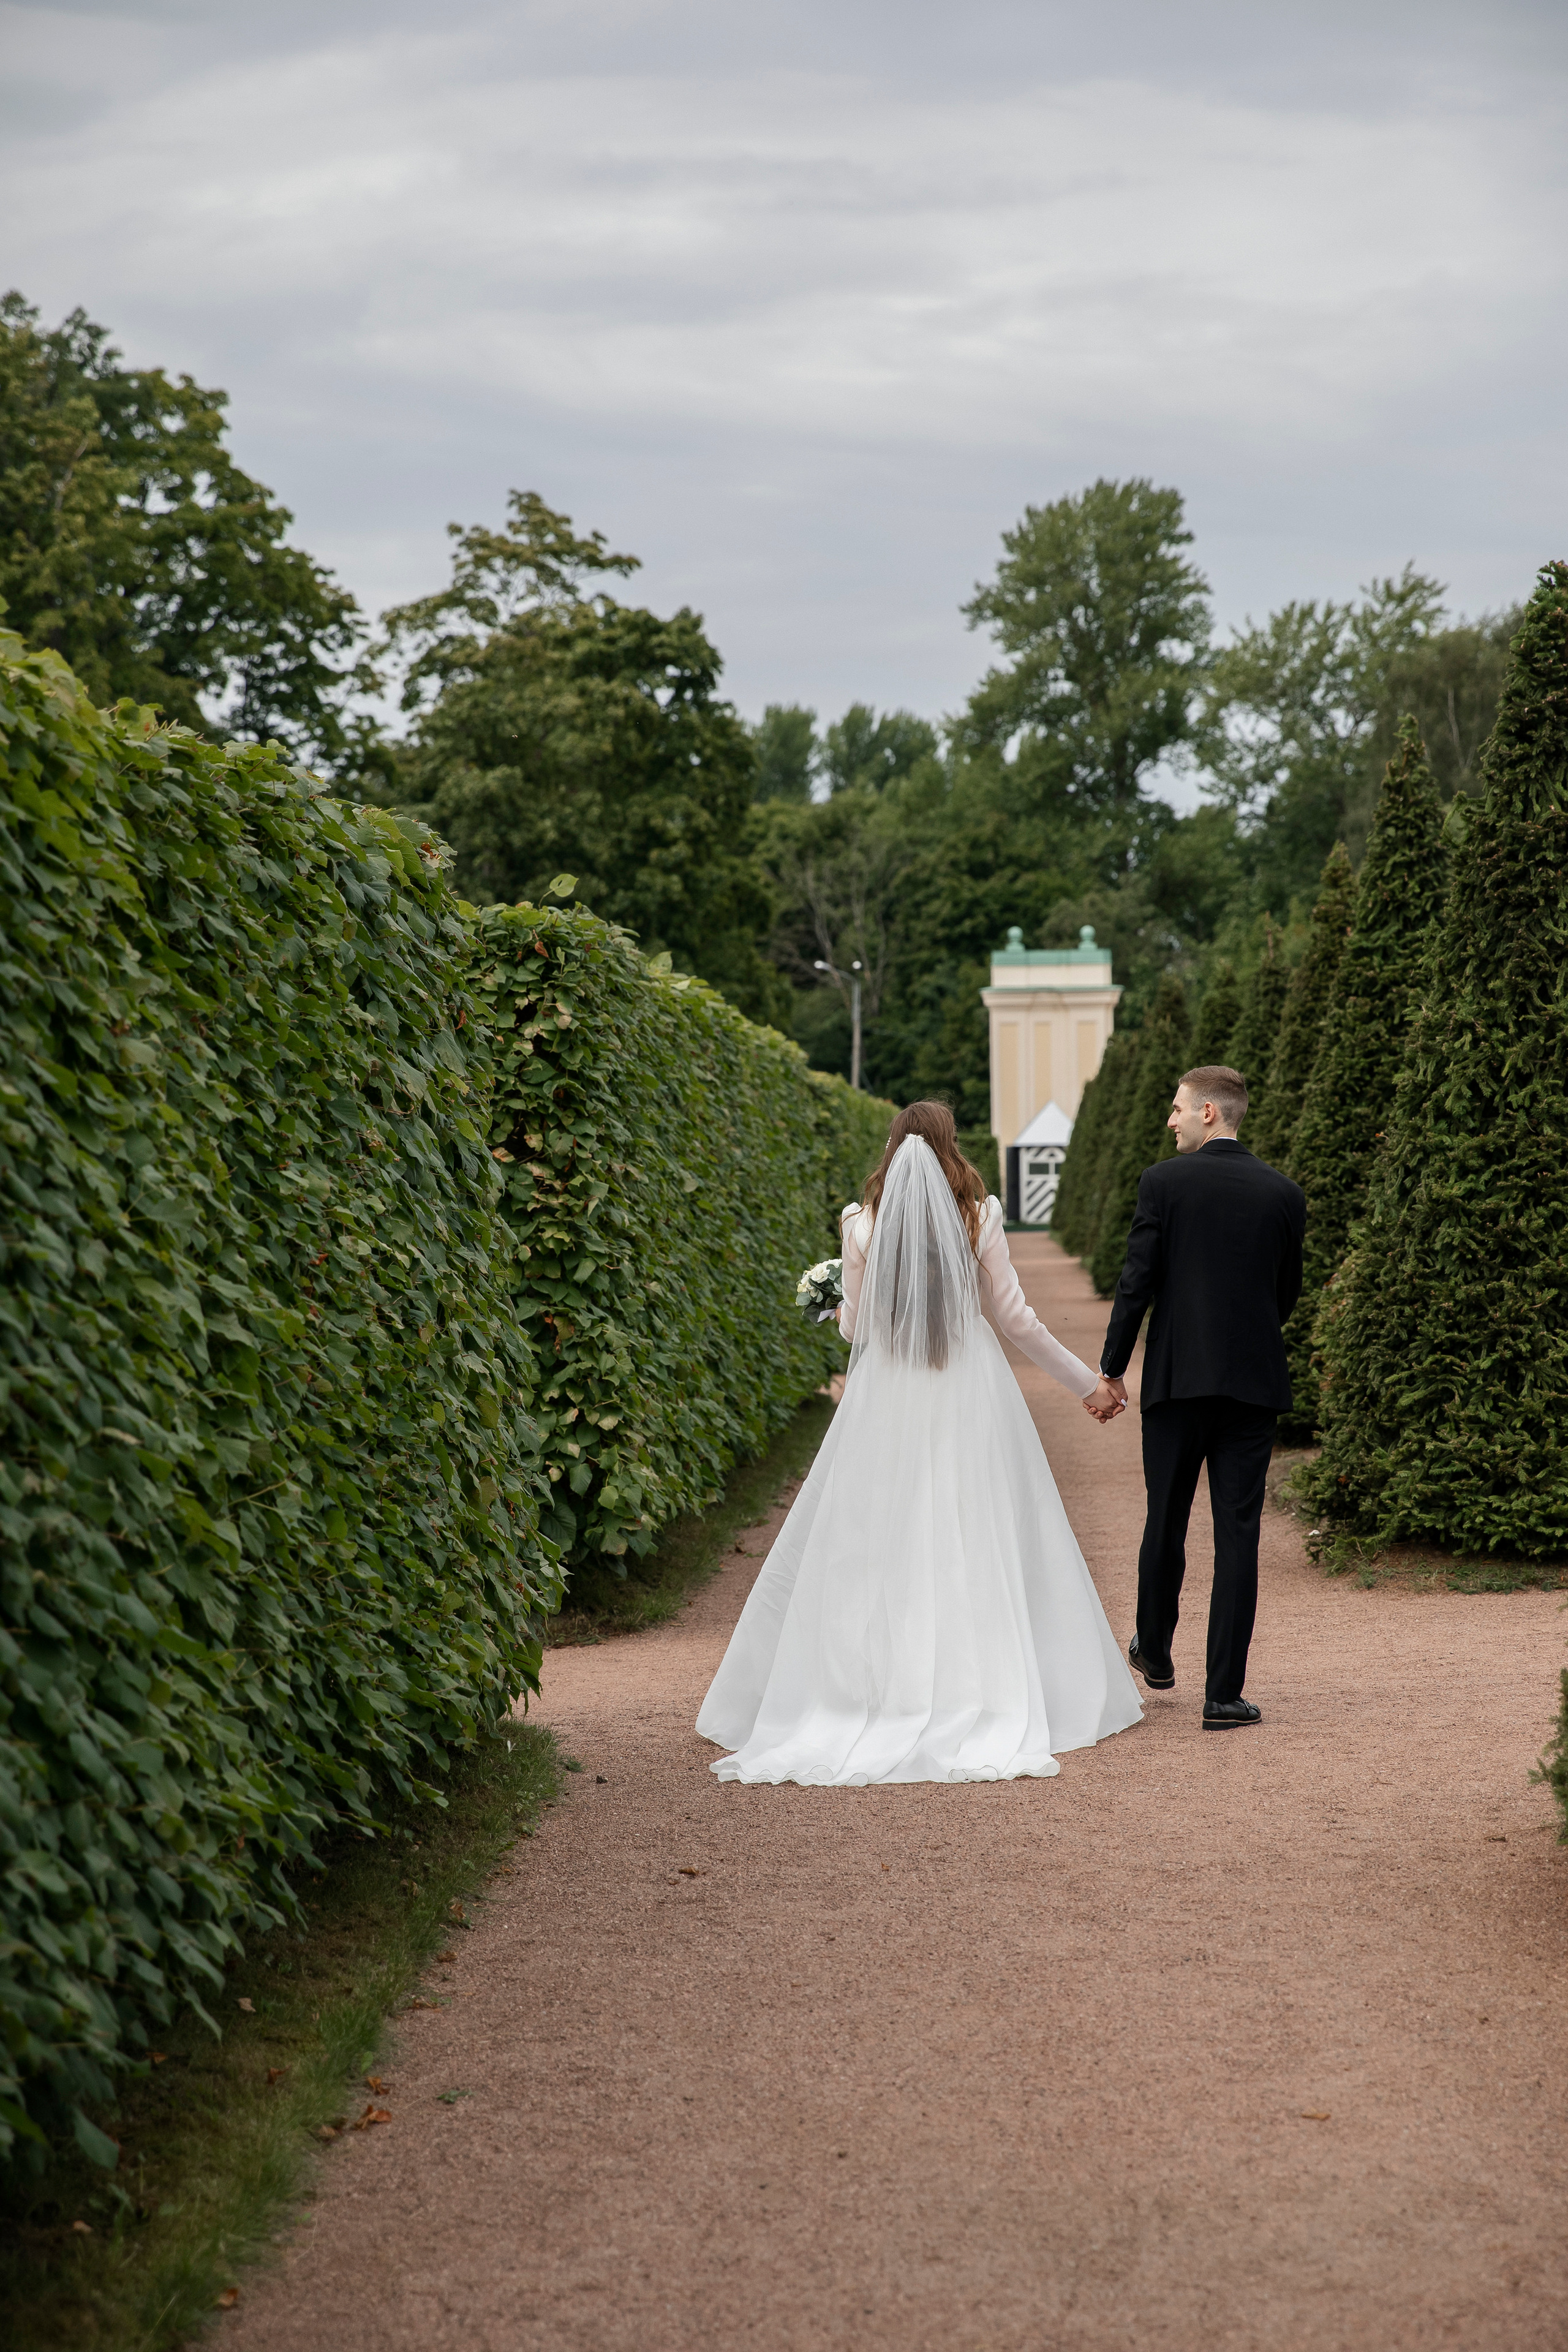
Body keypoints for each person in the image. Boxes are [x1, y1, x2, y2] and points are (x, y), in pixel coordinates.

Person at [696, 1102, 1142, 1785]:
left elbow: (854, 1332)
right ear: (949, 1149)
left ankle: (874, 1690)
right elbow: (1018, 1321)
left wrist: (835, 1297)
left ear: (891, 1147)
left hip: (887, 1394)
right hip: (968, 1387)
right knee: (974, 1529)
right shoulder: (982, 1215)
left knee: (876, 1538)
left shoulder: (857, 1223)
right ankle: (984, 1685)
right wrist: (1089, 1385)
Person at [1094, 1064, 1305, 1730]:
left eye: (1178, 1108)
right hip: (1250, 1384)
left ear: (1209, 1113)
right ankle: (1223, 1696)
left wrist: (1111, 1367)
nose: (1170, 1119)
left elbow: (1136, 1283)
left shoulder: (1162, 1183)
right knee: (1238, 1534)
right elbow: (1286, 1296)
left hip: (1177, 1382)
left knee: (1167, 1518)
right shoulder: (1283, 1193)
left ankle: (1153, 1649)